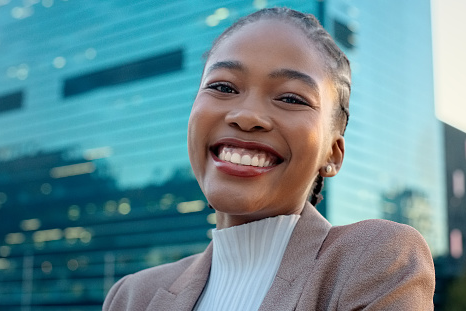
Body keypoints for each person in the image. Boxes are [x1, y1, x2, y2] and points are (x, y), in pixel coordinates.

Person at [103, 7, 435, 311]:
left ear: (332, 154)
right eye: (223, 87)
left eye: (291, 98)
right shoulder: (133, 296)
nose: (247, 116)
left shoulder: (374, 259)